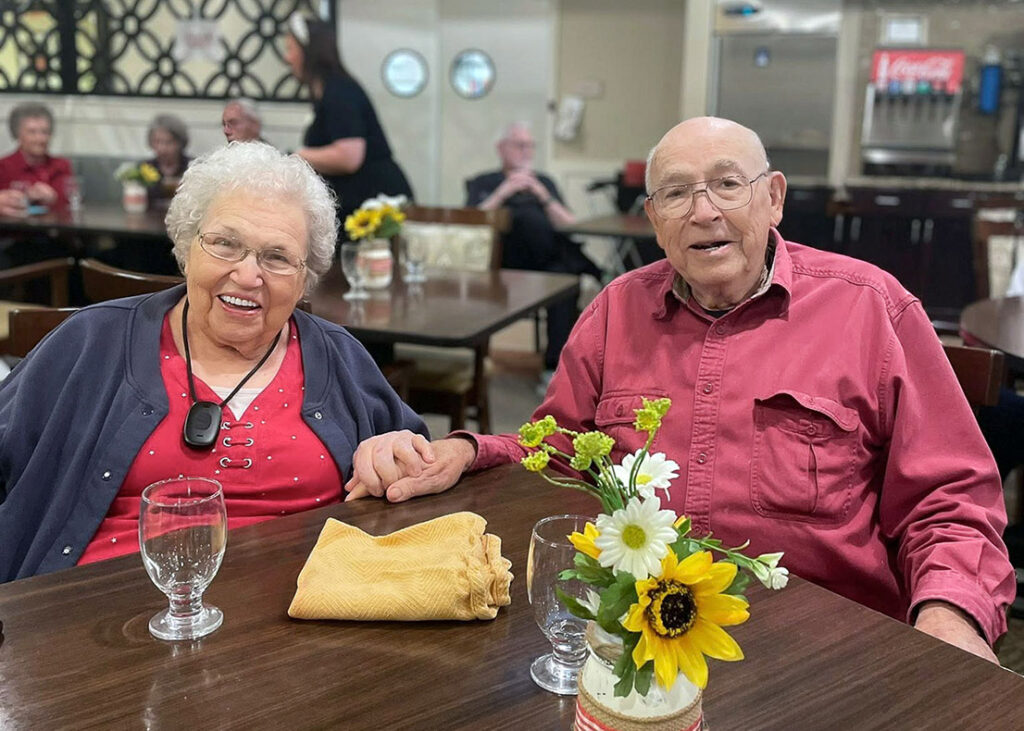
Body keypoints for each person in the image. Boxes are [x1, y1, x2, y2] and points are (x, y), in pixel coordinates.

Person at [347, 117, 1015, 663]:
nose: (704, 211)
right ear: (653, 217)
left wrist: (951, 617)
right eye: (676, 193)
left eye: (727, 184)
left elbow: (950, 497)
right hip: (637, 642)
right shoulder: (614, 313)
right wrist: (464, 450)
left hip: (828, 650)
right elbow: (556, 448)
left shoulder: (872, 309)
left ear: (774, 196)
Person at [0, 142, 427, 583]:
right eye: (225, 244)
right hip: (102, 618)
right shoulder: (90, 343)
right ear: (188, 248)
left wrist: (403, 451)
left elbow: (421, 467)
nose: (247, 275)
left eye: (277, 257)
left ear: (305, 279)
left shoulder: (338, 357)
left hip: (302, 626)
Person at [466, 122, 600, 375]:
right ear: (501, 148)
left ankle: (553, 367)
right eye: (519, 145)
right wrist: (504, 191)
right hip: (503, 263)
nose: (526, 151)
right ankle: (592, 268)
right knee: (565, 260)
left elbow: (571, 224)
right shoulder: (485, 181)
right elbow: (472, 221)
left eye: (530, 146)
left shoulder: (544, 182)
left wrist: (542, 195)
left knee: (565, 280)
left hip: (546, 264)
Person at [284, 13, 413, 222]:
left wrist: (300, 156)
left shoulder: (340, 91)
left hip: (375, 206)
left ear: (308, 52)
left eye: (290, 49)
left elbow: (349, 157)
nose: (287, 58)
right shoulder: (328, 92)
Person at [0, 102, 72, 217]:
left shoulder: (61, 166)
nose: (40, 139)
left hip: (55, 232)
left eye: (45, 132)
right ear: (17, 134)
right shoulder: (3, 166)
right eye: (32, 132)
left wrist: (54, 198)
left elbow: (74, 206)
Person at [145, 113, 192, 211]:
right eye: (157, 142)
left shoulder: (193, 168)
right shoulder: (144, 168)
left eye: (169, 142)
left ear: (180, 143)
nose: (162, 148)